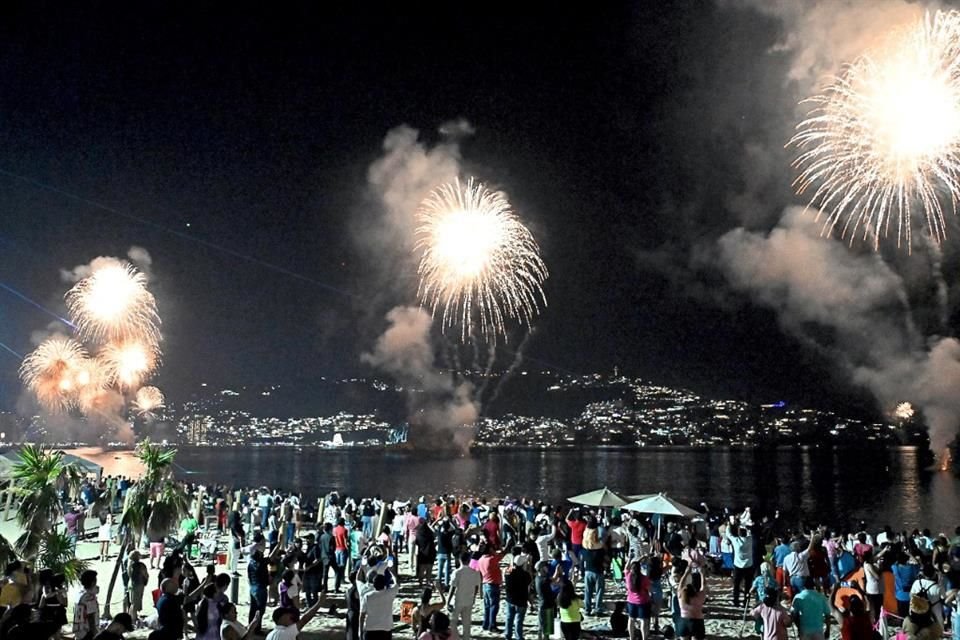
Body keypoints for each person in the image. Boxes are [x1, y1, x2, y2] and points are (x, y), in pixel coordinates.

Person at [449, 551, 482, 640]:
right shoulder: (475, 572)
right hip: (469, 599)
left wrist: (448, 600)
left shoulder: (457, 572)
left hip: (458, 600)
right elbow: (476, 587)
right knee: (466, 623)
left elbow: (453, 588)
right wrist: (474, 597)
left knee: (453, 622)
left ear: (460, 560)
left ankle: (456, 637)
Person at [359, 572, 400, 640]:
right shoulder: (390, 593)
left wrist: (360, 630)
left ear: (373, 585)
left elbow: (362, 615)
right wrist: (391, 572)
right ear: (384, 584)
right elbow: (397, 582)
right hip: (385, 628)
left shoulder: (367, 596)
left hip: (370, 628)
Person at [477, 546, 505, 633]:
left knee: (487, 606)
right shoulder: (492, 559)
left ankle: (486, 623)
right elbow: (502, 555)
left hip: (485, 584)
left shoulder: (481, 559)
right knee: (494, 606)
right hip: (493, 584)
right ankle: (492, 625)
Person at [725, 526, 754, 608]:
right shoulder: (750, 540)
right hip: (749, 565)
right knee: (747, 586)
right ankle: (746, 602)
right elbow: (751, 532)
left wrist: (729, 525)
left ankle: (736, 601)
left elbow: (728, 534)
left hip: (738, 566)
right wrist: (747, 526)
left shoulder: (736, 540)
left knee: (736, 585)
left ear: (739, 534)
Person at [505, 557, 533, 640]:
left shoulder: (509, 574)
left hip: (510, 599)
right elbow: (529, 581)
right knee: (518, 620)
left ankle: (507, 635)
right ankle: (518, 637)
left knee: (509, 618)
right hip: (521, 600)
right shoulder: (525, 575)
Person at [625, 560, 652, 640]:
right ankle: (644, 638)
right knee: (643, 621)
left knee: (631, 619)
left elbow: (626, 568)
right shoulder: (644, 578)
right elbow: (649, 590)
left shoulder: (628, 576)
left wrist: (629, 559)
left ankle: (631, 637)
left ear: (632, 569)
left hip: (631, 601)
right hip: (643, 601)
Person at [677, 568, 707, 640]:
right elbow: (704, 585)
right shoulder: (699, 597)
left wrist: (686, 573)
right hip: (697, 622)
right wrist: (702, 574)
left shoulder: (681, 597)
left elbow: (680, 584)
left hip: (684, 621)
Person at [535, 561, 559, 640]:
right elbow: (554, 579)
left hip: (542, 604)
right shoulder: (543, 580)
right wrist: (557, 570)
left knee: (541, 626)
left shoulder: (538, 578)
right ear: (541, 569)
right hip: (547, 604)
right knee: (547, 628)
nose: (547, 568)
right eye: (545, 567)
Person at [73, 569, 100, 640]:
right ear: (92, 582)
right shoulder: (89, 597)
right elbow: (90, 616)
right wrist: (96, 633)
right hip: (87, 631)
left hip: (79, 629)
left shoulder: (81, 594)